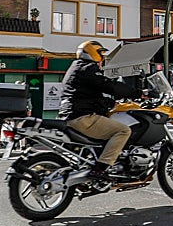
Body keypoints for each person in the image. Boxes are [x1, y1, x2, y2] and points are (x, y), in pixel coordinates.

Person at [58, 39, 138, 182]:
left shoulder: (76, 67)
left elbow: (89, 95)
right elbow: (109, 86)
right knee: (123, 131)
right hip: (82, 118)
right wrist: (139, 93)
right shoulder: (88, 68)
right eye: (101, 54)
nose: (102, 58)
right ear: (93, 53)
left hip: (71, 114)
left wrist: (111, 102)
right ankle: (100, 169)